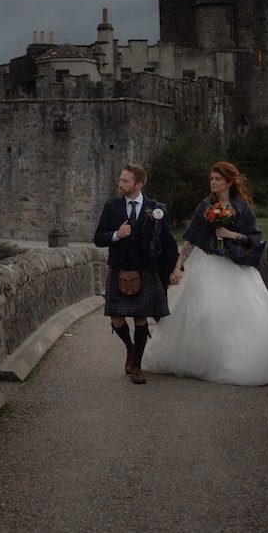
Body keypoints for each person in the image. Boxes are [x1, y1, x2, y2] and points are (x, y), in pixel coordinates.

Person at [141, 161, 268, 386]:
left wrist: (230, 234)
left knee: (235, 313)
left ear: (228, 181)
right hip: (206, 262)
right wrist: (177, 267)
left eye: (217, 179)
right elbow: (191, 240)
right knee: (203, 309)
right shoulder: (205, 206)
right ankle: (199, 358)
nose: (213, 182)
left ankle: (232, 359)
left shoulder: (241, 208)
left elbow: (253, 238)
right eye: (211, 179)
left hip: (234, 264)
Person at [93, 163, 178, 384]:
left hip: (145, 270)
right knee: (116, 319)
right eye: (120, 179)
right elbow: (98, 238)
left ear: (138, 184)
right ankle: (130, 348)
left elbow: (168, 242)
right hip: (119, 269)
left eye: (125, 181)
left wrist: (174, 269)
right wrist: (116, 234)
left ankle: (138, 366)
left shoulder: (155, 209)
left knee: (141, 318)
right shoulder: (112, 207)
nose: (120, 184)